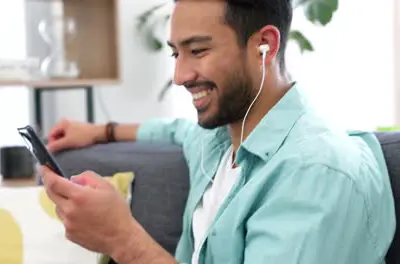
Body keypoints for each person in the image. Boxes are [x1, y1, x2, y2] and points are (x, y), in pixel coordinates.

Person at [40, 0, 396, 263]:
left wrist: (121, 238)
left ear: (265, 46)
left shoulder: (316, 174)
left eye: (198, 50)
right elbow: (174, 129)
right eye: (176, 54)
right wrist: (103, 130)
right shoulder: (220, 139)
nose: (180, 76)